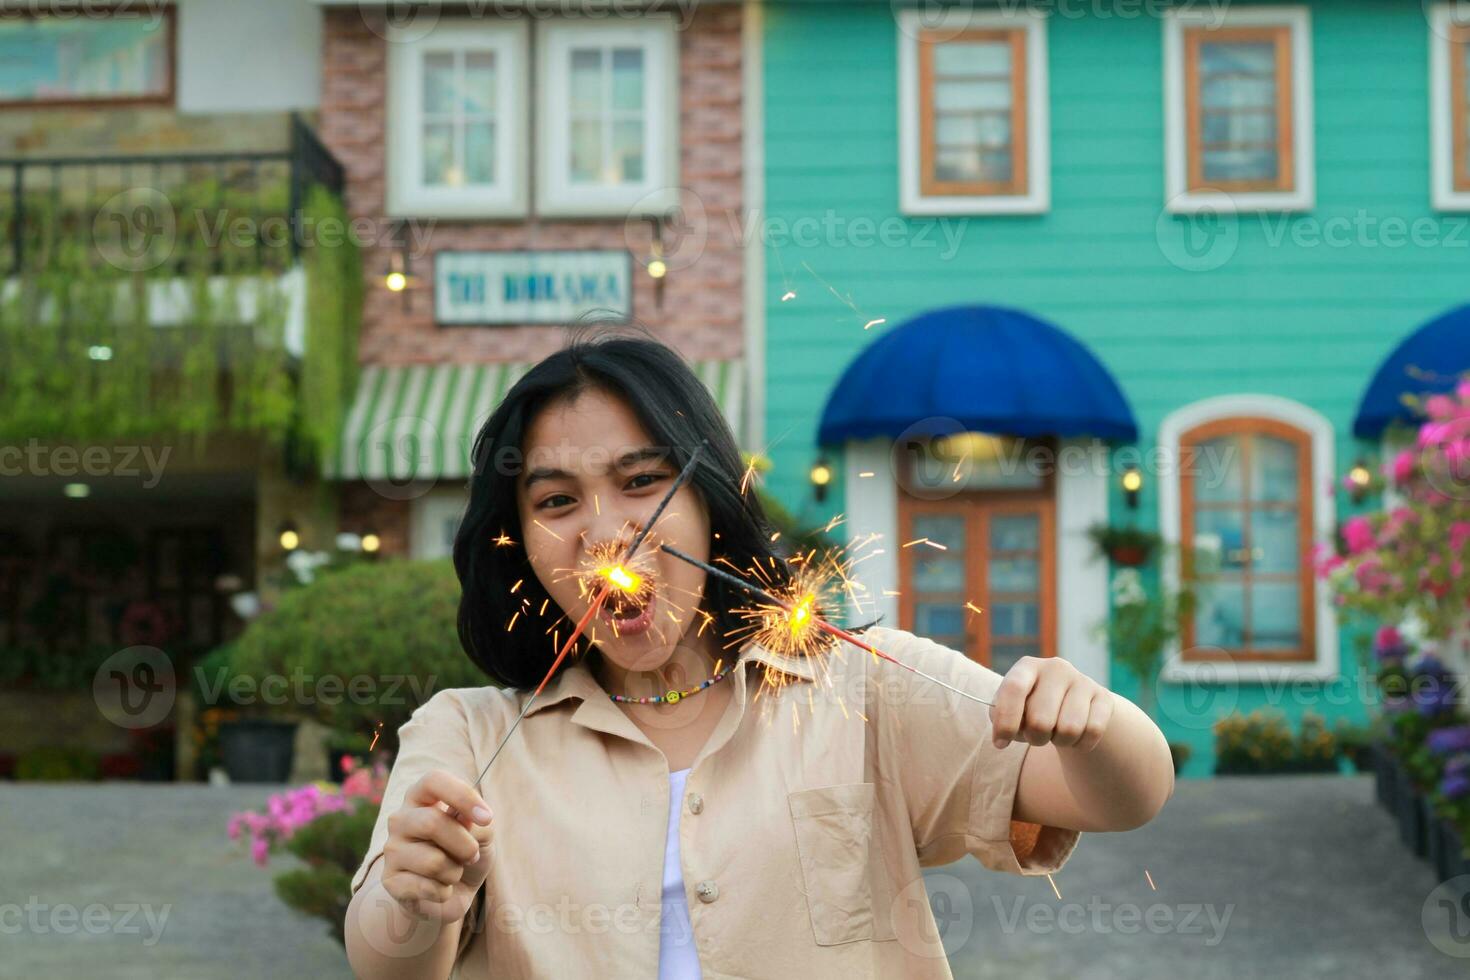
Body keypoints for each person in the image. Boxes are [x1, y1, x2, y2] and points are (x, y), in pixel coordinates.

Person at [344, 332, 1175, 980]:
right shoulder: (466, 734)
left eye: (642, 482)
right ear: (519, 542)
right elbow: (383, 961)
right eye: (558, 501)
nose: (605, 533)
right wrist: (419, 902)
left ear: (711, 501)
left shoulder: (861, 684)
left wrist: (1096, 725)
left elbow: (1123, 798)